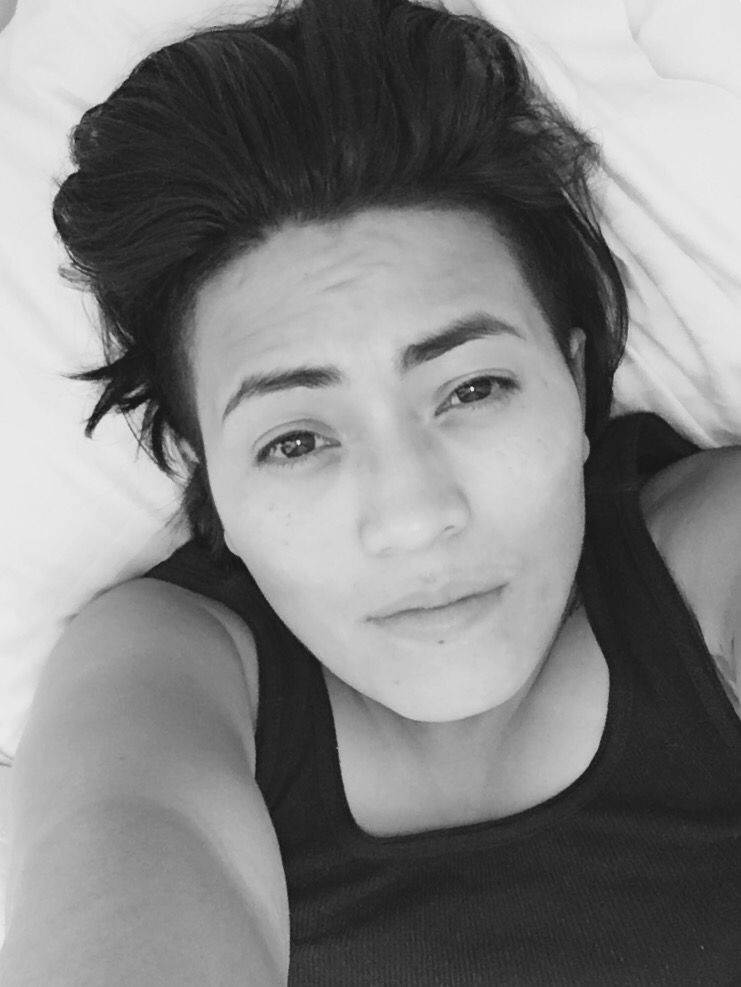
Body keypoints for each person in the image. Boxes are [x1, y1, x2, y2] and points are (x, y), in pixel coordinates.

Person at [2, 0, 740, 983]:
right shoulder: (164, 674)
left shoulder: (708, 554)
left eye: (472, 389)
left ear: (572, 384)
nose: (414, 517)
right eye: (295, 440)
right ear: (208, 471)